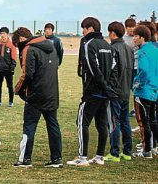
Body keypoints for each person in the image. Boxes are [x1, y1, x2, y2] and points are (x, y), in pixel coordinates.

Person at [67, 17, 118, 166]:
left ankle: (82, 158)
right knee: (101, 124)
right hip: (105, 94)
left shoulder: (89, 44)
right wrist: (109, 88)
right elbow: (115, 69)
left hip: (92, 93)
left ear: (90, 29)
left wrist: (104, 86)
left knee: (82, 122)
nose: (82, 31)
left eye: (83, 28)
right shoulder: (108, 46)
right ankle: (99, 156)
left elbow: (92, 69)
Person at [10, 27, 62, 168]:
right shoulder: (50, 45)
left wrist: (18, 90)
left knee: (29, 127)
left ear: (21, 39)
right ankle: (57, 159)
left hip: (35, 95)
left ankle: (25, 159)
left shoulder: (29, 49)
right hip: (52, 93)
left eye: (17, 45)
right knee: (53, 125)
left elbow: (27, 74)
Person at [104, 21, 134, 162]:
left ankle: (114, 153)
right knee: (125, 121)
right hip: (126, 90)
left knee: (114, 122)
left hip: (115, 92)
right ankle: (127, 152)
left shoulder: (113, 49)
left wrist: (109, 89)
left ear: (113, 33)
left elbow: (113, 71)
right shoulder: (129, 49)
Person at [132, 25, 158, 158]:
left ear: (142, 37)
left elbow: (143, 70)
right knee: (153, 120)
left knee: (145, 120)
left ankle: (146, 150)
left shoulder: (142, 52)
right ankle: (154, 147)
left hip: (144, 91)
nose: (134, 39)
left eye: (136, 36)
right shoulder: (155, 50)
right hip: (154, 89)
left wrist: (137, 85)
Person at [0, 27, 17, 107]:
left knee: (10, 86)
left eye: (4, 33)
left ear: (7, 34)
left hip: (8, 70)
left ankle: (11, 102)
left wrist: (12, 68)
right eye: (1, 33)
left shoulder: (11, 45)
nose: (2, 35)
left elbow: (14, 58)